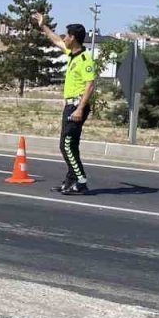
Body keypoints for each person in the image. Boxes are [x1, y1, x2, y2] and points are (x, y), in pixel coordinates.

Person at [34, 12, 96, 195]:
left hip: (76, 107)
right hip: (69, 105)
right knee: (70, 144)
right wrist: (43, 26)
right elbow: (55, 40)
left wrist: (80, 109)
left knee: (66, 145)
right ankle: (69, 181)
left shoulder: (85, 60)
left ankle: (81, 181)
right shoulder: (72, 54)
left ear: (74, 38)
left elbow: (90, 85)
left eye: (67, 35)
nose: (64, 38)